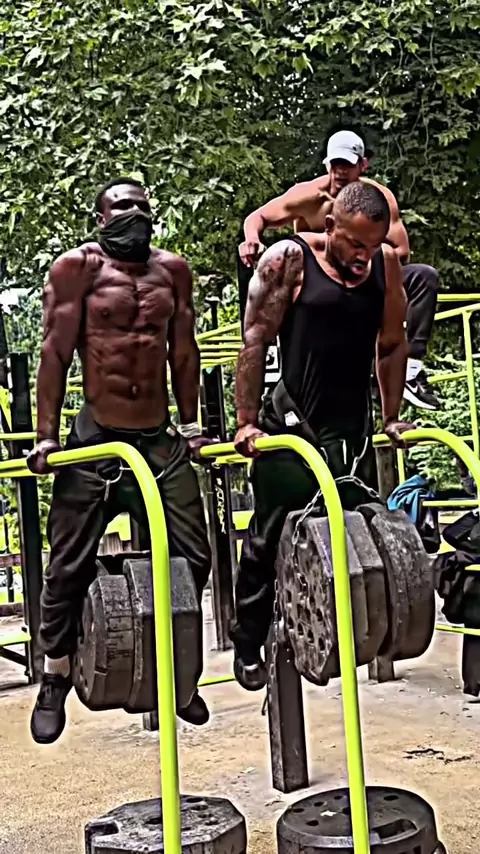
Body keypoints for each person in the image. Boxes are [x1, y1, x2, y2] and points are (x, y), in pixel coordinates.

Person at [27, 177, 213, 744]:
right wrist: (46, 437)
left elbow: (184, 351)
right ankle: (56, 675)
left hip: (158, 440)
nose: (135, 213)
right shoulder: (77, 269)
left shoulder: (172, 271)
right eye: (122, 206)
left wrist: (192, 427)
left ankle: (177, 672)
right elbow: (55, 352)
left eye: (142, 206)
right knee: (66, 566)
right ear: (101, 218)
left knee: (195, 554)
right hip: (98, 439)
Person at [230, 181, 415, 690]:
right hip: (293, 425)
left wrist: (391, 417)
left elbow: (391, 343)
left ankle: (347, 633)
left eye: (371, 245)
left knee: (362, 530)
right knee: (267, 537)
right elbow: (254, 341)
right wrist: (246, 421)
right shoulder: (288, 261)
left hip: (349, 430)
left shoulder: (384, 267)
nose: (362, 256)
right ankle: (247, 641)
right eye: (354, 243)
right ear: (329, 225)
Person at [239, 130, 440, 412]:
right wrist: (252, 239)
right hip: (314, 281)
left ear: (363, 165)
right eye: (336, 165)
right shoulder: (309, 196)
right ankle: (271, 362)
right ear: (327, 164)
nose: (341, 172)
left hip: (361, 275)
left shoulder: (378, 199)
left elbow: (402, 251)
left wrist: (360, 253)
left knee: (424, 277)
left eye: (348, 165)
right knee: (270, 268)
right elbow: (257, 217)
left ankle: (411, 370)